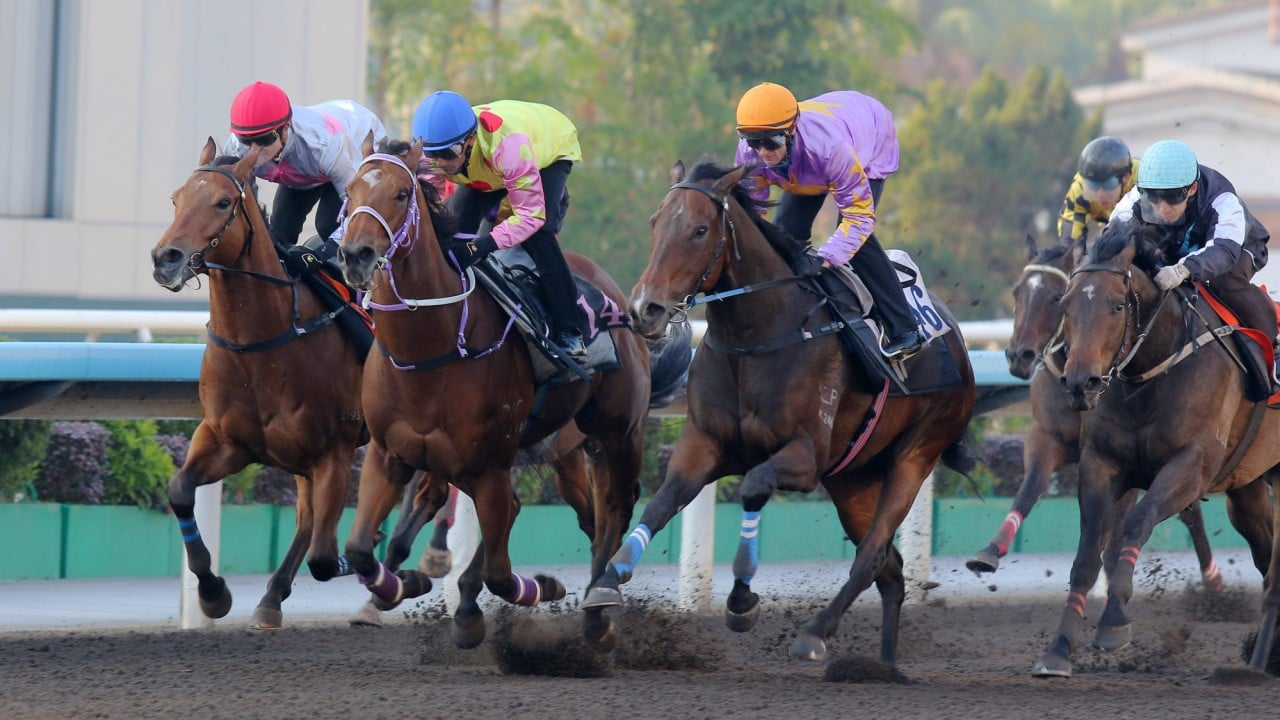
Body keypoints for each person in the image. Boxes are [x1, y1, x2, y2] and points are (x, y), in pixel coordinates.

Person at [733, 82, 923, 358]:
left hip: (868, 136)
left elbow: (859, 219)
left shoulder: (832, 151)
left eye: (770, 142)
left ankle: (905, 330)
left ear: (790, 131)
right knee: (786, 236)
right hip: (810, 160)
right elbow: (752, 215)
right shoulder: (749, 154)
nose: (763, 152)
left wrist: (823, 258)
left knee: (855, 242)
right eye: (754, 141)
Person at [412, 90, 589, 361]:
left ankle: (569, 330)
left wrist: (483, 245)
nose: (442, 163)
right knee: (456, 231)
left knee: (538, 236)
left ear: (469, 140)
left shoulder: (507, 146)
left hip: (546, 151)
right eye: (433, 155)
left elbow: (530, 217)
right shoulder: (435, 156)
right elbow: (436, 208)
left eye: (448, 154)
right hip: (486, 169)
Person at [1111, 139, 1276, 360]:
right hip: (1178, 249)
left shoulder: (1222, 198)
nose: (1163, 209)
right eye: (1154, 197)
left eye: (1172, 197)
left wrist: (1182, 270)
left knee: (1223, 282)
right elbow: (1113, 237)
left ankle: (1274, 344)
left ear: (1192, 188)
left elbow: (1223, 250)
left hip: (1238, 248)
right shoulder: (1135, 198)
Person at [221, 81, 388, 258]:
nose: (254, 151)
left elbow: (359, 209)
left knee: (329, 224)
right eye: (245, 140)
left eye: (264, 139)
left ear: (285, 129)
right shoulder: (235, 149)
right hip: (306, 166)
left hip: (355, 145)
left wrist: (320, 255)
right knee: (278, 233)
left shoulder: (323, 145)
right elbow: (248, 206)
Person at [1056, 136, 1139, 249]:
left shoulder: (1143, 179)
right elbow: (1069, 240)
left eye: (1108, 184)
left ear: (1126, 177)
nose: (1100, 194)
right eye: (1093, 185)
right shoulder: (1080, 187)